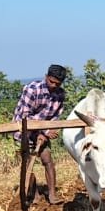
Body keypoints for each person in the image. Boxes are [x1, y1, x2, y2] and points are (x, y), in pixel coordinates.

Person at [13, 64, 68, 203]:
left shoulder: (60, 95)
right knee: (28, 163)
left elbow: (55, 116)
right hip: (23, 131)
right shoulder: (32, 89)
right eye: (51, 81)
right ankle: (34, 194)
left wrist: (45, 133)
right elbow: (25, 116)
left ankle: (52, 195)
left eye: (58, 83)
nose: (54, 85)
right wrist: (42, 132)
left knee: (47, 160)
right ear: (46, 77)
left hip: (44, 132)